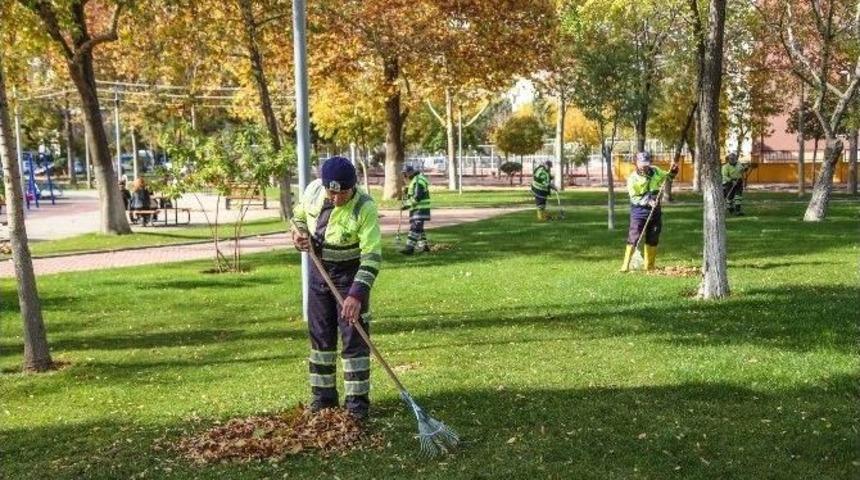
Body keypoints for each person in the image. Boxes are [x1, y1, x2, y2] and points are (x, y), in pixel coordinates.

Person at [291, 156, 382, 421]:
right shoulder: (313, 192)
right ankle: (323, 399)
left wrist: (356, 294)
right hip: (318, 272)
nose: (336, 198)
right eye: (332, 192)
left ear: (352, 187)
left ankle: (357, 405)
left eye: (342, 193)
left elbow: (372, 256)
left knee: (354, 338)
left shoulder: (364, 207)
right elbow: (297, 218)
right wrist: (297, 235)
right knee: (321, 335)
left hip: (349, 277)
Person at [620, 152, 679, 272]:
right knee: (634, 236)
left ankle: (649, 266)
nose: (645, 167)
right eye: (642, 164)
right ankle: (626, 265)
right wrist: (647, 201)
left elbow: (668, 177)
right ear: (636, 164)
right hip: (639, 211)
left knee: (653, 237)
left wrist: (673, 171)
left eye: (646, 164)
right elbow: (634, 198)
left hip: (655, 211)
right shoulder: (632, 179)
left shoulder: (656, 171)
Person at [400, 165, 431, 255]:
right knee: (419, 228)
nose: (404, 176)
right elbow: (413, 194)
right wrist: (406, 192)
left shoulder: (418, 180)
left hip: (420, 209)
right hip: (417, 209)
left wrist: (406, 205)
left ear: (410, 173)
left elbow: (417, 197)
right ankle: (424, 247)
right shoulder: (415, 180)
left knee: (415, 228)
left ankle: (409, 248)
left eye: (405, 174)